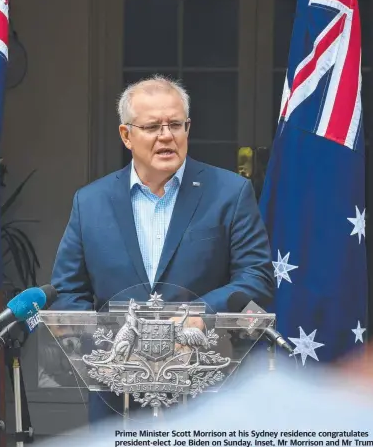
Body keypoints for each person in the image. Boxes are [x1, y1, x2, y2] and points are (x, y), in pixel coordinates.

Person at [50, 76, 276, 423]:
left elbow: (256, 277)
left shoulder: (230, 193)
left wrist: (199, 314)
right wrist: (105, 346)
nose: (166, 135)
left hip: (207, 391)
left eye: (175, 124)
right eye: (152, 126)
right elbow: (69, 290)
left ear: (188, 128)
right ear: (126, 135)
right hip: (119, 398)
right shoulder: (91, 202)